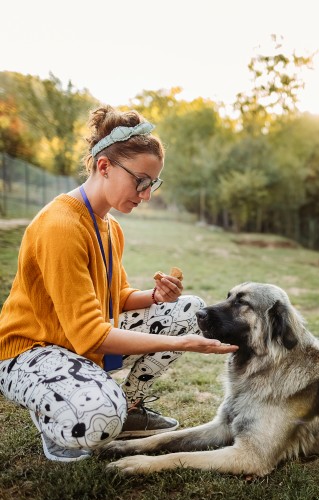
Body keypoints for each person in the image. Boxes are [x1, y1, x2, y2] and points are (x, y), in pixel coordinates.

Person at [0, 105, 237, 462]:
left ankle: (129, 407)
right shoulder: (61, 226)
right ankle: (57, 413)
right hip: (29, 351)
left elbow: (117, 297)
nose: (146, 194)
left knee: (188, 308)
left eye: (152, 184)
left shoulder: (109, 226)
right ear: (104, 166)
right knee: (100, 418)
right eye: (140, 181)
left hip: (74, 345)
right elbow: (92, 333)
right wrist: (183, 344)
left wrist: (154, 297)